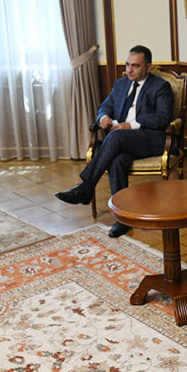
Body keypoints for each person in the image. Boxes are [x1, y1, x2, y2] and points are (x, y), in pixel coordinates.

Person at [55, 45, 173, 238]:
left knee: (116, 136)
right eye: (127, 65)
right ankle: (123, 218)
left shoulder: (160, 87)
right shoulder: (120, 84)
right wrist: (103, 118)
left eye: (135, 66)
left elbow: (163, 117)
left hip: (151, 139)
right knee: (118, 161)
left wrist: (131, 125)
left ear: (148, 67)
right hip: (123, 141)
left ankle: (86, 187)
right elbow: (104, 107)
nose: (129, 70)